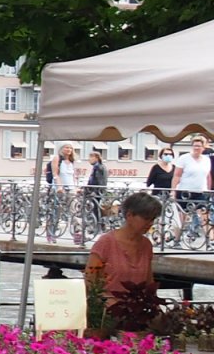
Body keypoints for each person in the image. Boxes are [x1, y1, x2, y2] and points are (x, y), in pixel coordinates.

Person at [86, 192, 162, 326]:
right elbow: (90, 281)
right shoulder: (106, 243)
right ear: (129, 215)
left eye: (153, 219)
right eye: (146, 218)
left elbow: (149, 283)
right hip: (107, 316)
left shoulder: (146, 245)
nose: (150, 223)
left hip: (138, 315)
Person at [172, 135, 212, 237]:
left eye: (199, 146)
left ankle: (210, 240)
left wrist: (208, 189)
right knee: (182, 216)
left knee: (204, 216)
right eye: (194, 146)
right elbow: (177, 176)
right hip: (185, 191)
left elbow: (207, 176)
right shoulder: (184, 158)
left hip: (200, 191)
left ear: (203, 147)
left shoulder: (206, 160)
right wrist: (173, 190)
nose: (196, 148)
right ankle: (177, 238)